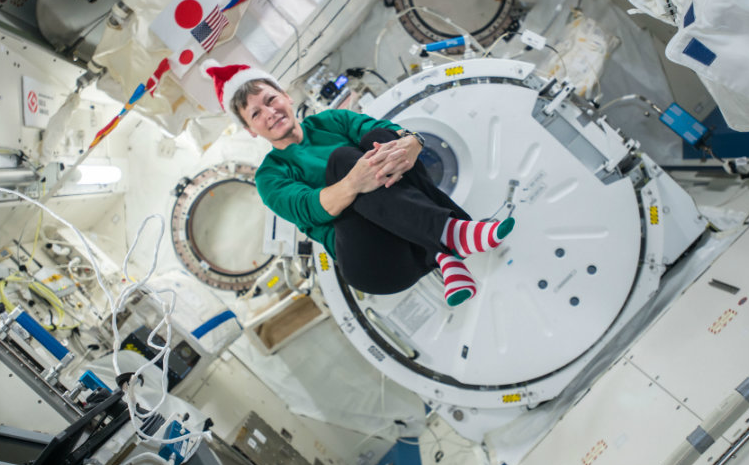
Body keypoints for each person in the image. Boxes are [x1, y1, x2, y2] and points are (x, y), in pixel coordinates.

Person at [203, 62, 515, 306]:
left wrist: (413, 142)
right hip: (377, 264)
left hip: (412, 240)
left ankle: (444, 254)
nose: (270, 113)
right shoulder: (269, 177)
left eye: (271, 100)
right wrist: (353, 182)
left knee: (382, 139)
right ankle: (450, 232)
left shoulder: (331, 121)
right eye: (256, 114)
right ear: (251, 130)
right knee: (342, 161)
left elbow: (384, 131)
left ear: (286, 96)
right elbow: (311, 208)